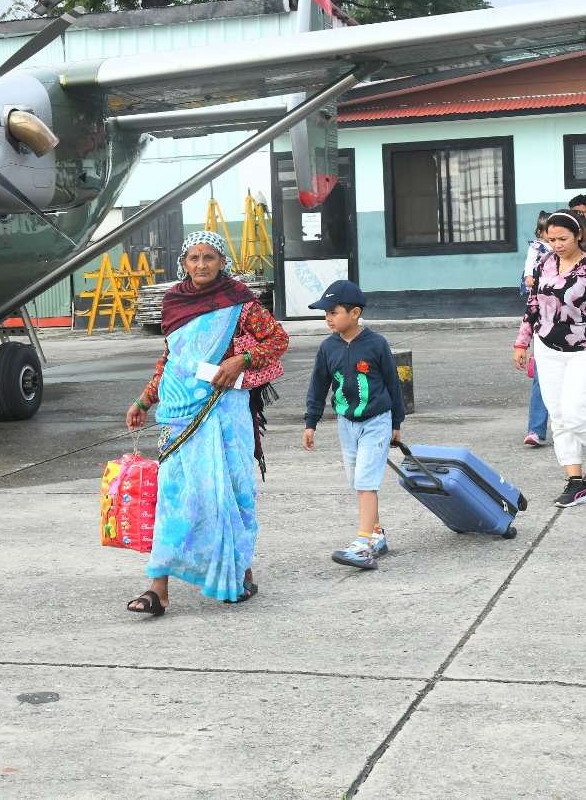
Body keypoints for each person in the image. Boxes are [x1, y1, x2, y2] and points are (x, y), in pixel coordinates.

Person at [124, 231, 289, 615]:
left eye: (209, 258)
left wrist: (239, 361)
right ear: (184, 262)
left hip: (224, 413)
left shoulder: (240, 304)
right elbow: (171, 359)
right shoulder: (174, 302)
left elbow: (278, 340)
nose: (201, 265)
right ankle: (157, 589)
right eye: (194, 258)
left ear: (222, 262)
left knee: (230, 493)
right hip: (179, 413)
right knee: (175, 496)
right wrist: (145, 399)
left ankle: (236, 573)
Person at [513, 210, 586, 508]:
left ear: (578, 235)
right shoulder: (544, 263)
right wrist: (521, 343)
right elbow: (533, 305)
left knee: (574, 412)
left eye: (563, 238)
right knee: (559, 417)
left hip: (584, 348)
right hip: (546, 347)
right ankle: (575, 482)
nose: (557, 244)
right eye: (551, 239)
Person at [301, 280, 406, 570]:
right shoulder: (328, 348)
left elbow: (392, 384)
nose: (328, 319)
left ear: (355, 313)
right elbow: (318, 386)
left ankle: (362, 545)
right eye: (326, 314)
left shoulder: (376, 344)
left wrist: (396, 421)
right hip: (346, 423)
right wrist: (311, 423)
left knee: (365, 481)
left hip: (376, 420)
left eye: (333, 312)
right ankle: (376, 534)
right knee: (357, 482)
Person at [521, 212, 551, 448]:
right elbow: (530, 311)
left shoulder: (584, 264)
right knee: (542, 380)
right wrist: (521, 344)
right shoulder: (537, 253)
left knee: (574, 386)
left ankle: (585, 427)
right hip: (544, 331)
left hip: (576, 337)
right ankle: (536, 429)